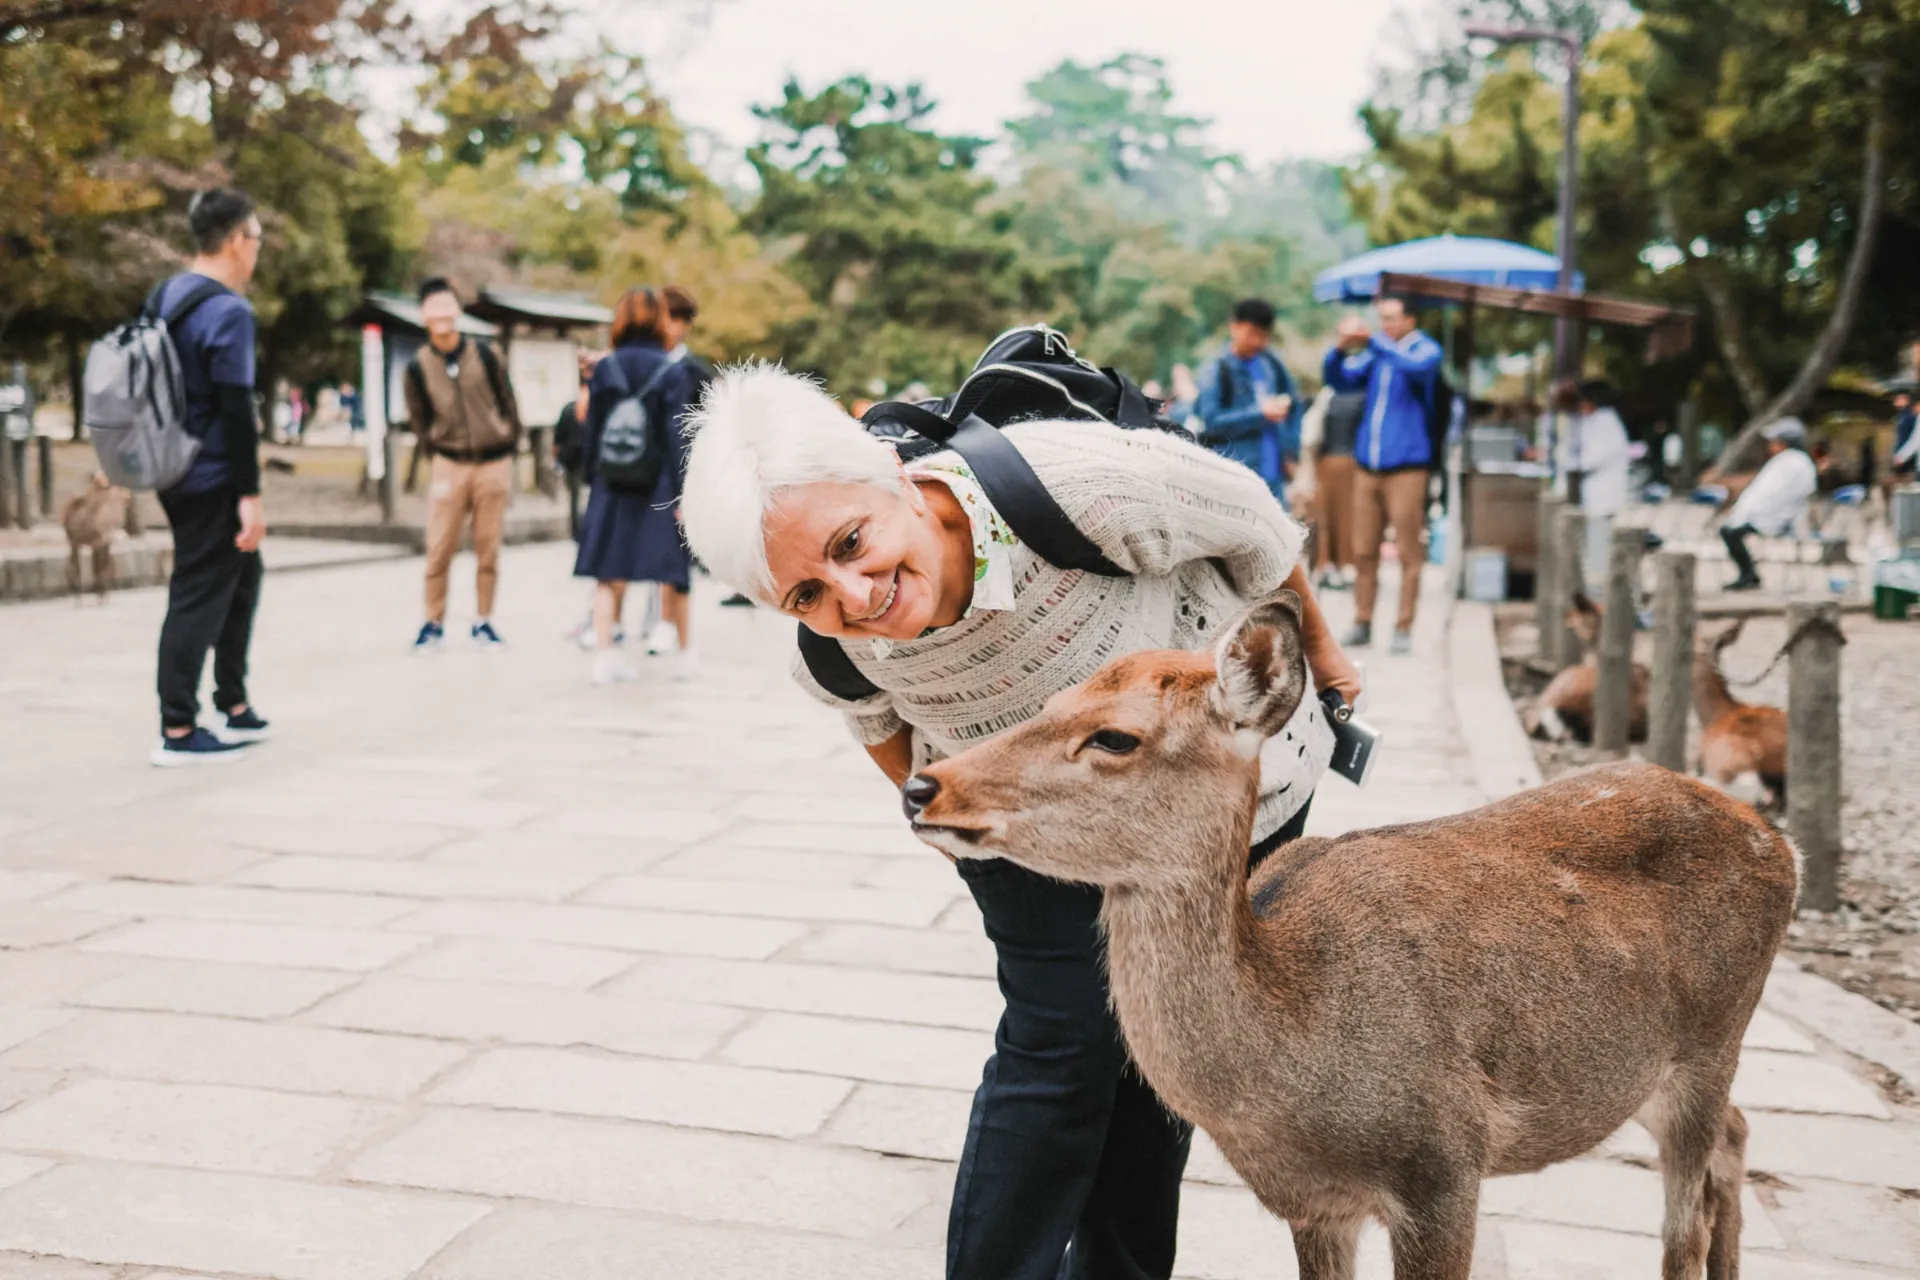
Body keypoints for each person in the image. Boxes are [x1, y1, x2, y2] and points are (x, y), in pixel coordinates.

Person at [679, 365, 1360, 1280]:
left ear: (893, 478)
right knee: (1060, 1048)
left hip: (1219, 799)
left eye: (852, 541)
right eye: (805, 594)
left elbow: (1256, 529)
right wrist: (966, 836)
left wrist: (1324, 652)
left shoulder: (1089, 489)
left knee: (1172, 1048)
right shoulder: (836, 644)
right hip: (1034, 828)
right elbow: (874, 718)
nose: (854, 595)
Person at [150, 188, 269, 766]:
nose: (258, 251)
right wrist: (250, 495)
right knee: (197, 592)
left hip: (170, 466)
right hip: (212, 475)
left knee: (243, 575)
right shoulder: (229, 311)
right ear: (236, 240)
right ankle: (178, 729)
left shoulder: (165, 295)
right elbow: (235, 408)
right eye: (257, 239)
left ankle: (233, 702)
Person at [573, 286, 697, 684]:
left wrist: (592, 478)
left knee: (608, 572)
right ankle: (685, 654)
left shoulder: (606, 369)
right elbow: (676, 436)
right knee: (673, 571)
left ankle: (605, 655)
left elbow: (593, 431)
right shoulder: (671, 370)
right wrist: (683, 491)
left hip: (612, 482)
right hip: (657, 484)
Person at [403, 278, 523, 650]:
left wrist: (508, 440)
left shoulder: (485, 354)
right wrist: (435, 451)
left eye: (447, 305)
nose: (441, 313)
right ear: (423, 315)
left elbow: (508, 402)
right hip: (448, 461)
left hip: (493, 460)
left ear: (457, 310)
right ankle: (432, 622)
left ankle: (483, 620)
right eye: (433, 306)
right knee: (439, 546)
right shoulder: (418, 367)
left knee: (488, 546)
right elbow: (418, 418)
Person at [1322, 294, 1444, 655]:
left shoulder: (1425, 351)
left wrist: (1373, 341)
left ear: (1410, 320)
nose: (1384, 325)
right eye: (1381, 319)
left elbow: (1416, 369)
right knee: (1363, 550)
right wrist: (1340, 349)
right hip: (1367, 468)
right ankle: (1362, 621)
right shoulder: (1376, 355)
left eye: (1391, 318)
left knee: (1408, 552)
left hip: (1407, 469)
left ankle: (1403, 626)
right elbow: (1340, 380)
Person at [1192, 298, 1301, 501]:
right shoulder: (1217, 369)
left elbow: (1295, 405)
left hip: (1273, 473)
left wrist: (1291, 451)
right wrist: (1259, 414)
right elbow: (1211, 421)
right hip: (1235, 473)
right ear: (1234, 327)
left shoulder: (1271, 364)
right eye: (1251, 333)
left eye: (1263, 336)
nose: (1257, 342)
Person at [1720, 418, 1818, 592]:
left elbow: (1769, 495)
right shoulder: (1796, 462)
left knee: (1729, 531)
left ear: (1784, 442)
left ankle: (1748, 575)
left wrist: (1745, 513)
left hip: (1775, 518)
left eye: (1774, 441)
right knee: (1730, 530)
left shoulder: (1788, 463)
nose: (1770, 445)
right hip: (1774, 516)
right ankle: (1749, 574)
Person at [1555, 379, 1633, 589]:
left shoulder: (1606, 422)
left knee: (1597, 551)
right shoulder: (1591, 421)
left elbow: (1590, 459)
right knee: (1590, 548)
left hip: (1602, 499)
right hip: (1592, 499)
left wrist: (1566, 460)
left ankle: (1596, 592)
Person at [1301, 386, 1366, 590]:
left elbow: (1311, 435)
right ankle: (1343, 566)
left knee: (1326, 517)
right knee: (1347, 517)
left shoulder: (1327, 395)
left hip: (1327, 461)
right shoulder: (1364, 396)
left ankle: (1326, 565)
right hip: (1352, 464)